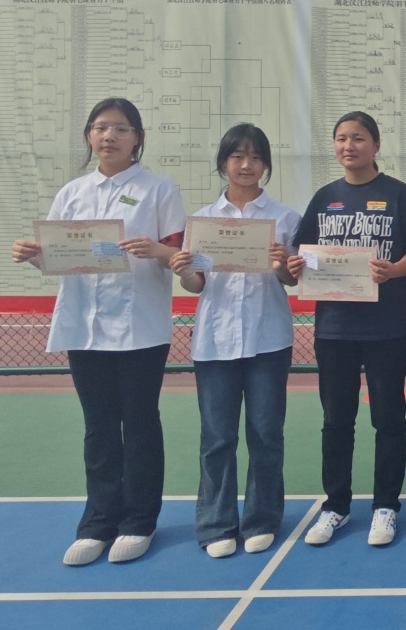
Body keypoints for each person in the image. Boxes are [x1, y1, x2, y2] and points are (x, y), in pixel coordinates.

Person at [11, 97, 185, 566]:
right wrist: (36, 256)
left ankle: (140, 520)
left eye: (121, 128)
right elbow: (61, 258)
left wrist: (156, 250)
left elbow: (177, 256)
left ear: (138, 138)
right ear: (89, 135)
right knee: (99, 425)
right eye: (101, 127)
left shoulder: (158, 190)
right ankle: (98, 522)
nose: (110, 136)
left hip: (140, 327)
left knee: (140, 422)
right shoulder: (72, 193)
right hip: (84, 326)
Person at [287, 111, 406, 548]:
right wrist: (295, 264)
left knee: (389, 420)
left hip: (387, 328)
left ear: (376, 145)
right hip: (334, 329)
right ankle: (336, 506)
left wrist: (393, 270)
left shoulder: (398, 194)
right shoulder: (325, 197)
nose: (349, 146)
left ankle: (386, 506)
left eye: (359, 138)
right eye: (342, 138)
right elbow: (302, 252)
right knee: (336, 421)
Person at [169, 124, 300, 558]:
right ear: (223, 162)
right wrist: (184, 270)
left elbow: (291, 281)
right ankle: (216, 524)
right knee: (217, 437)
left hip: (268, 338)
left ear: (266, 165)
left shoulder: (284, 217)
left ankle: (262, 519)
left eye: (256, 157)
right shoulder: (203, 220)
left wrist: (283, 264)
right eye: (237, 156)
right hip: (216, 339)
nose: (246, 165)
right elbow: (196, 284)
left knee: (266, 434)